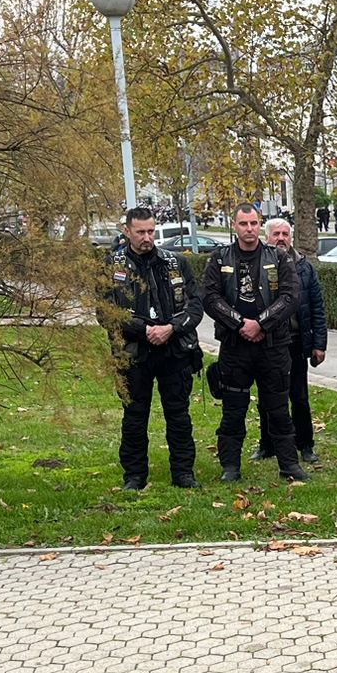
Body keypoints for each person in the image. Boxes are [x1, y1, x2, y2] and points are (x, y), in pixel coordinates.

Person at [201, 203, 309, 483]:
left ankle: (289, 465)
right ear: (234, 225)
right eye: (243, 224)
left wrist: (261, 323)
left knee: (279, 410)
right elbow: (210, 298)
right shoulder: (219, 258)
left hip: (272, 346)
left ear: (260, 225)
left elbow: (291, 296)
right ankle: (230, 467)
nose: (249, 229)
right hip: (235, 347)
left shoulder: (279, 257)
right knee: (233, 411)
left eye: (253, 223)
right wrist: (240, 324)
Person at [109, 206, 202, 490]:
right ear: (127, 232)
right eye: (140, 232)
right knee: (135, 416)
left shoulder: (175, 263)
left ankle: (183, 473)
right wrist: (144, 330)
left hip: (173, 350)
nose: (147, 238)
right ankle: (134, 476)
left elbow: (195, 306)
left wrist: (171, 328)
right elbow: (107, 313)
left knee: (179, 414)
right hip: (134, 352)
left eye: (151, 231)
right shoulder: (112, 266)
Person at [263, 218, 325, 466]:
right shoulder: (259, 264)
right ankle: (267, 444)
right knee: (268, 397)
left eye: (285, 234)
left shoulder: (304, 268)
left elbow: (317, 308)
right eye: (276, 234)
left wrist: (319, 344)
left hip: (296, 341)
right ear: (267, 237)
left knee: (299, 397)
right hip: (267, 342)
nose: (281, 238)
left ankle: (305, 445)